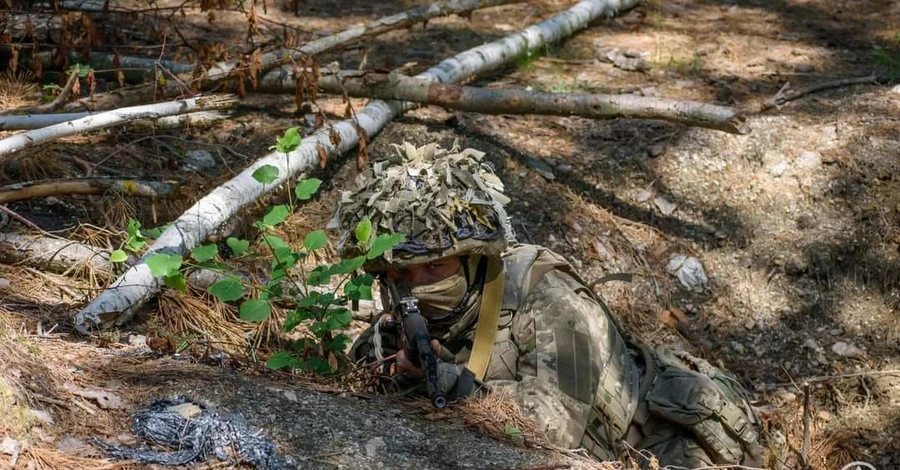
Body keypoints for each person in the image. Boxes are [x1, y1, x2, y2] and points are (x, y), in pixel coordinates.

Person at [329, 141, 762, 468]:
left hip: (650, 448)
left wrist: (455, 384)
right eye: (400, 276)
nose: (416, 287)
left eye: (434, 268)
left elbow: (554, 428)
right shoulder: (405, 307)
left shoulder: (547, 297)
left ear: (475, 258)